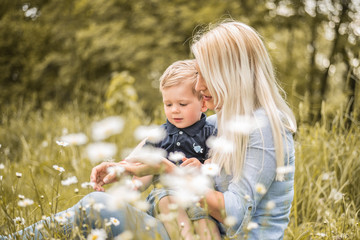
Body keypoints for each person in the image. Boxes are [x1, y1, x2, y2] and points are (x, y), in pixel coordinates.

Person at [2, 19, 297, 240]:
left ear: (228, 74)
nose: (198, 85)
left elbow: (234, 214)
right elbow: (164, 138)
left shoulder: (263, 131)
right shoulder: (231, 121)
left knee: (95, 207)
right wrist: (123, 167)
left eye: (203, 74)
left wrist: (170, 171)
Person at [130, 59, 220, 240]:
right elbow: (146, 168)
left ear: (203, 104)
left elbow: (221, 161)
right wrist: (133, 188)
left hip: (198, 194)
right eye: (168, 104)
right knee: (167, 200)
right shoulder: (160, 135)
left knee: (205, 221)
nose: (174, 111)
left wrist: (203, 165)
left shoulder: (210, 132)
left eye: (182, 104)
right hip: (166, 194)